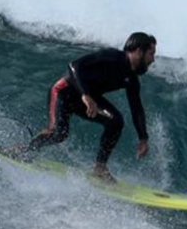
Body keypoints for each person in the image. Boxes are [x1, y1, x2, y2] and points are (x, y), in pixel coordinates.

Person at [18, 32, 157, 182]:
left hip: (86, 99)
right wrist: (85, 95)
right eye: (151, 54)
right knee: (59, 133)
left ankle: (100, 168)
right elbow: (74, 66)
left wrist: (143, 138)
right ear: (138, 51)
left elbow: (136, 108)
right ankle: (23, 151)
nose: (153, 59)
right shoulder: (112, 56)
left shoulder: (131, 79)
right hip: (63, 93)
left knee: (115, 121)